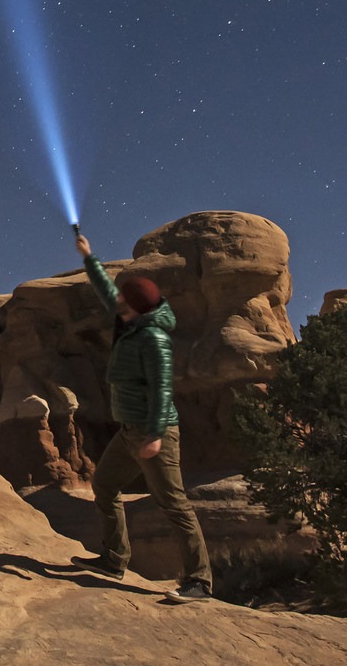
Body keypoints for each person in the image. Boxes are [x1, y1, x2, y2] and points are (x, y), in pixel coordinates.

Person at [69, 231, 213, 604]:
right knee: (104, 486)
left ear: (137, 307)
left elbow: (162, 388)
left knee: (173, 503)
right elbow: (107, 294)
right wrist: (89, 257)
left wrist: (154, 435)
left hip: (154, 430)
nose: (117, 303)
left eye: (123, 301)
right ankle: (115, 559)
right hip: (130, 430)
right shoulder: (132, 321)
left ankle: (199, 582)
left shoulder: (153, 339)